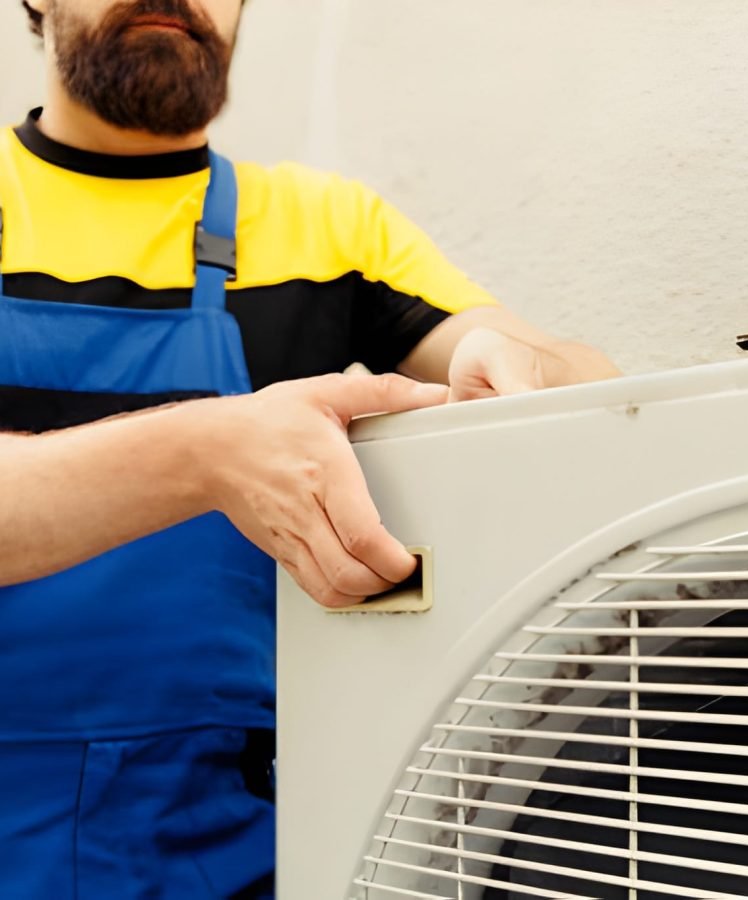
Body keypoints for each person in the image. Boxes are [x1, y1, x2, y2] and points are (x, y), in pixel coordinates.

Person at [0, 0, 620, 896]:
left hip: (236, 842)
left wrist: (516, 364)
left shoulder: (327, 229)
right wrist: (207, 451)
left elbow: (589, 382)